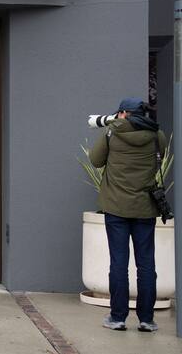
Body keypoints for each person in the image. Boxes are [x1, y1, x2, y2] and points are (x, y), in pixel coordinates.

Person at [89, 97, 166, 332]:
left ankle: (118, 317)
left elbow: (95, 160)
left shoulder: (111, 133)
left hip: (116, 207)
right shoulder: (156, 135)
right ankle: (146, 319)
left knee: (119, 263)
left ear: (123, 113)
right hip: (144, 208)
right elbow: (160, 160)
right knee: (146, 264)